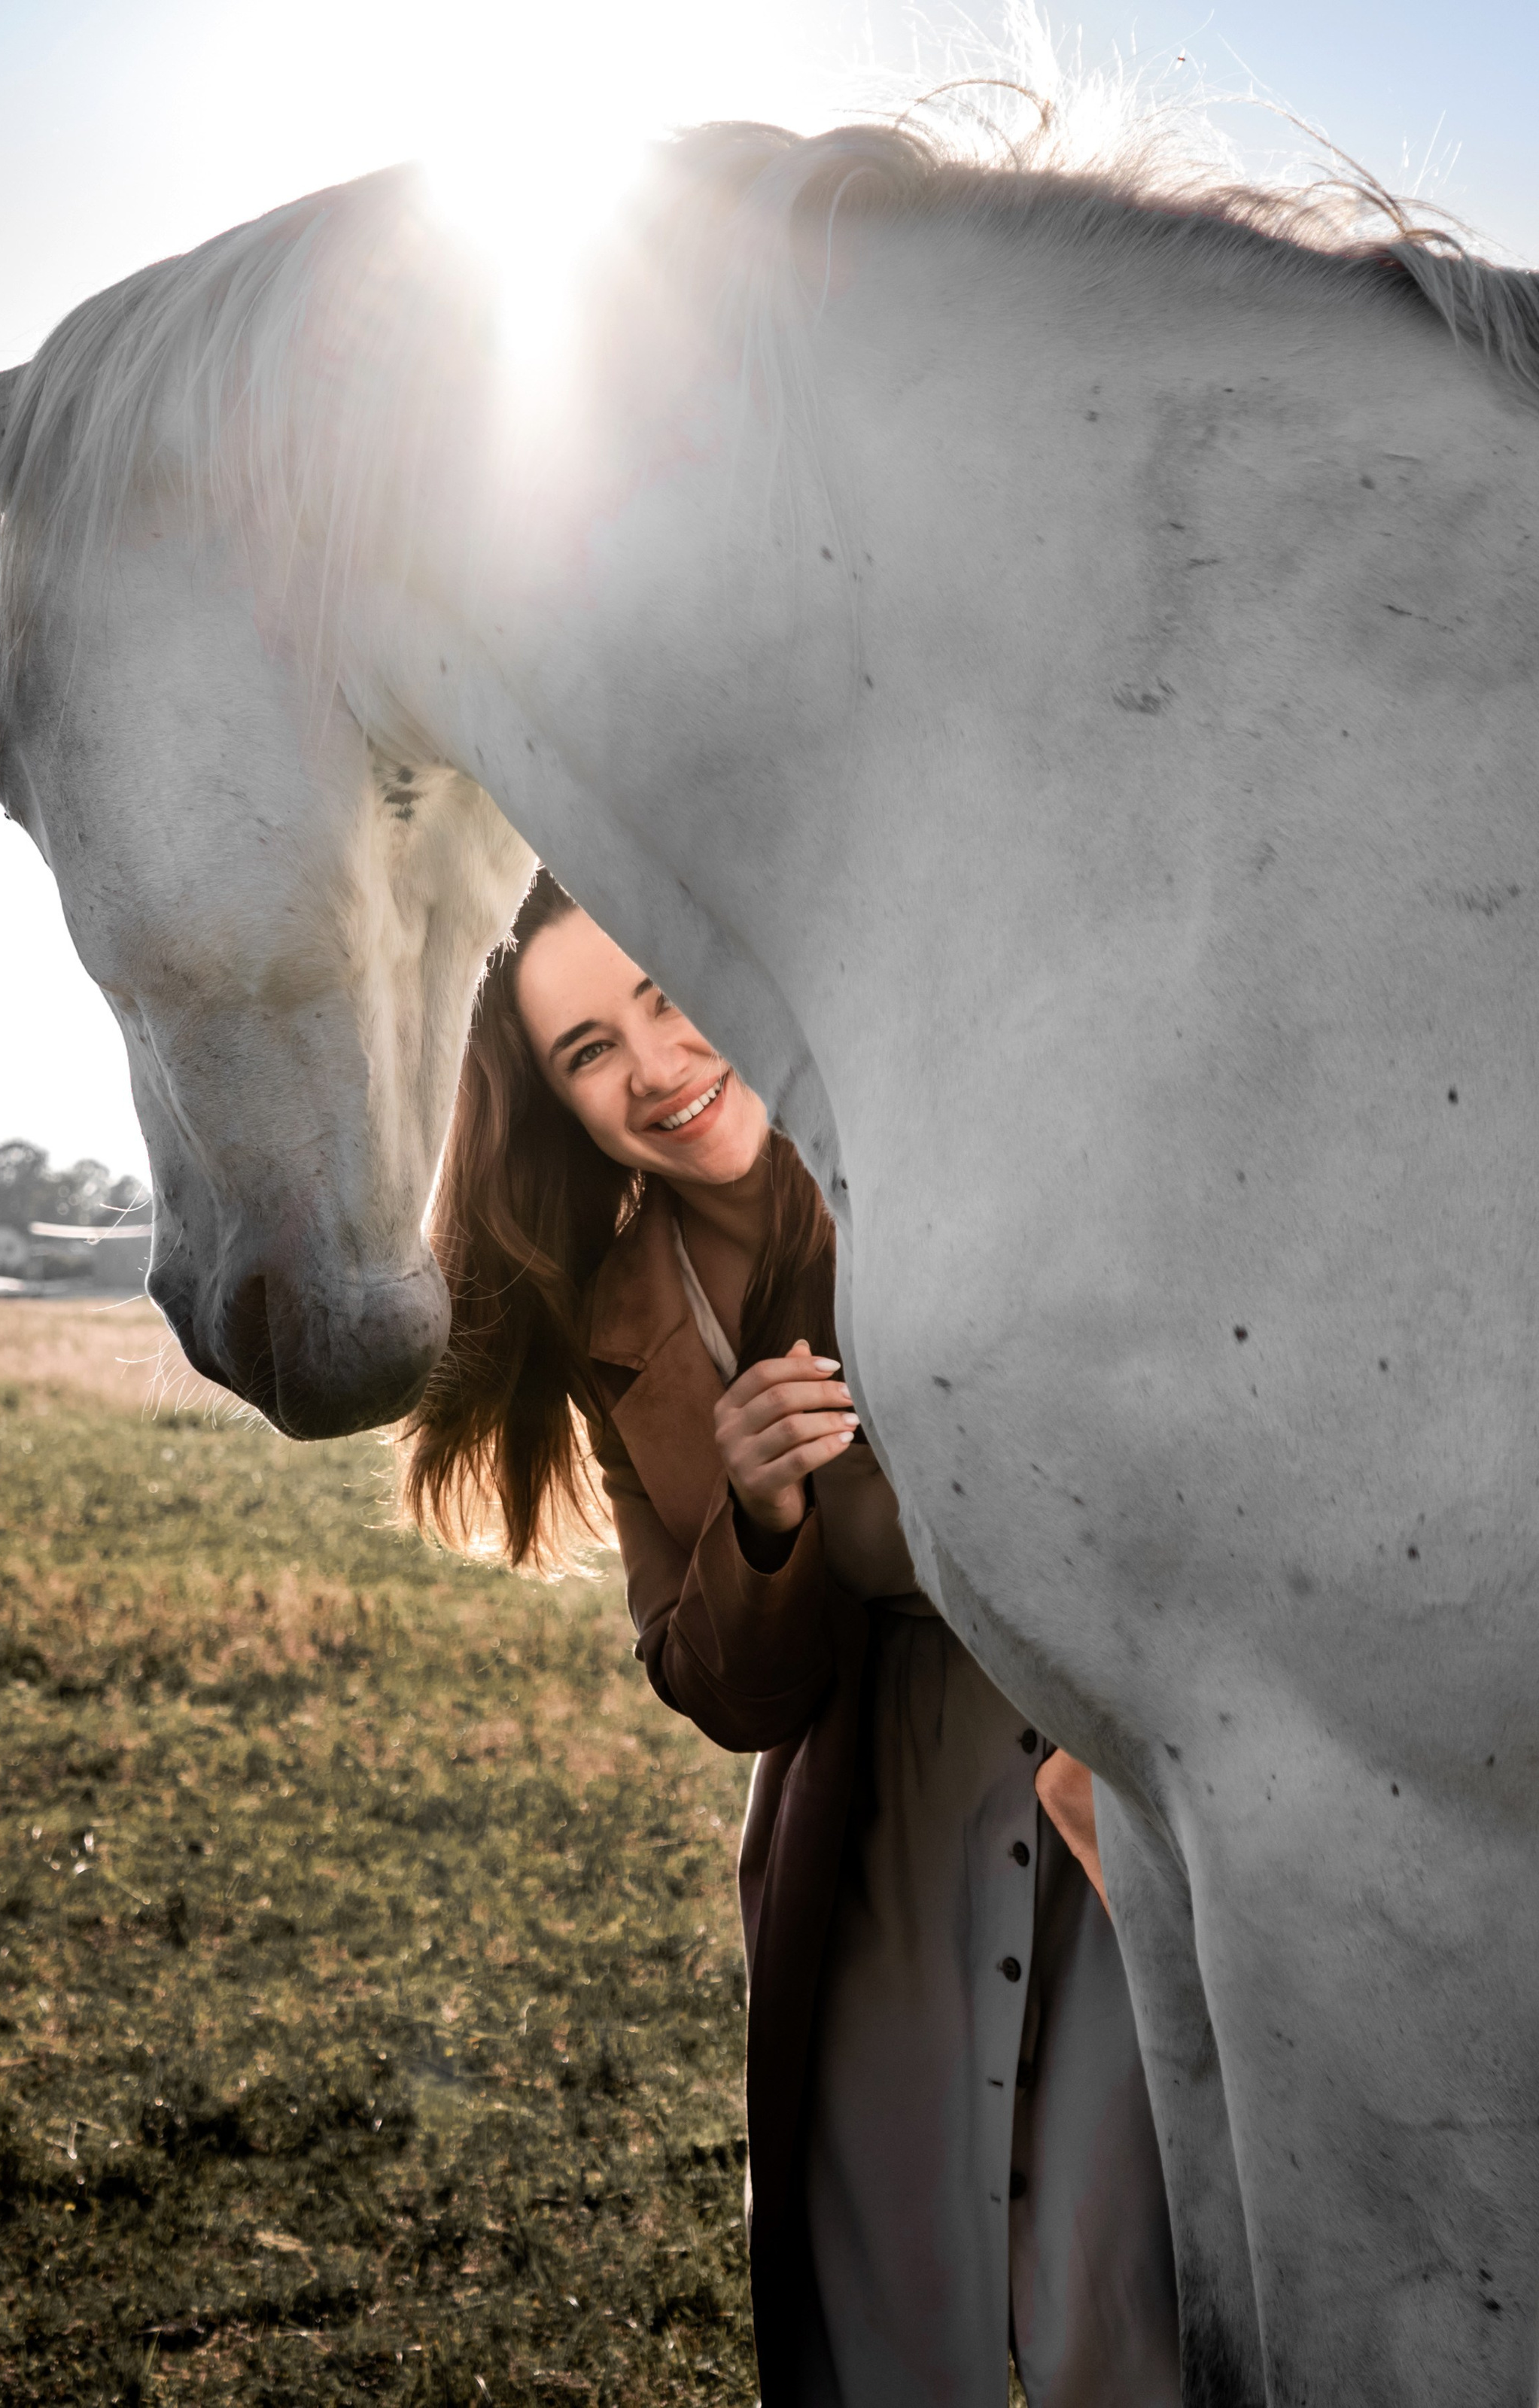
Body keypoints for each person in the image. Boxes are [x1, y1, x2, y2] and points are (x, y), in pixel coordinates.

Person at [403, 871, 1180, 2407]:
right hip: (869, 1828)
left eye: (667, 996)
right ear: (559, 1107)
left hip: (1115, 1785)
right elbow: (723, 1687)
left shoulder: (951, 1151)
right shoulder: (619, 1327)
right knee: (884, 2311)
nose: (656, 1066)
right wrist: (761, 1520)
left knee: (1132, 2304)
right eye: (587, 1052)